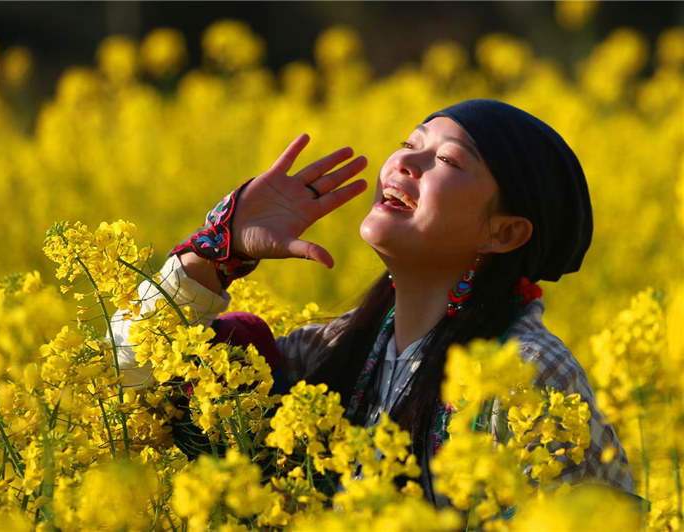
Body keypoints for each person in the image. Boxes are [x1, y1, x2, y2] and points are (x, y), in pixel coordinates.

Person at [111, 99, 634, 500]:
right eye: (412, 142)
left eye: (447, 159)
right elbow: (128, 374)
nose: (407, 161)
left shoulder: (526, 373)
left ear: (503, 233)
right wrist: (216, 250)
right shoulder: (337, 349)